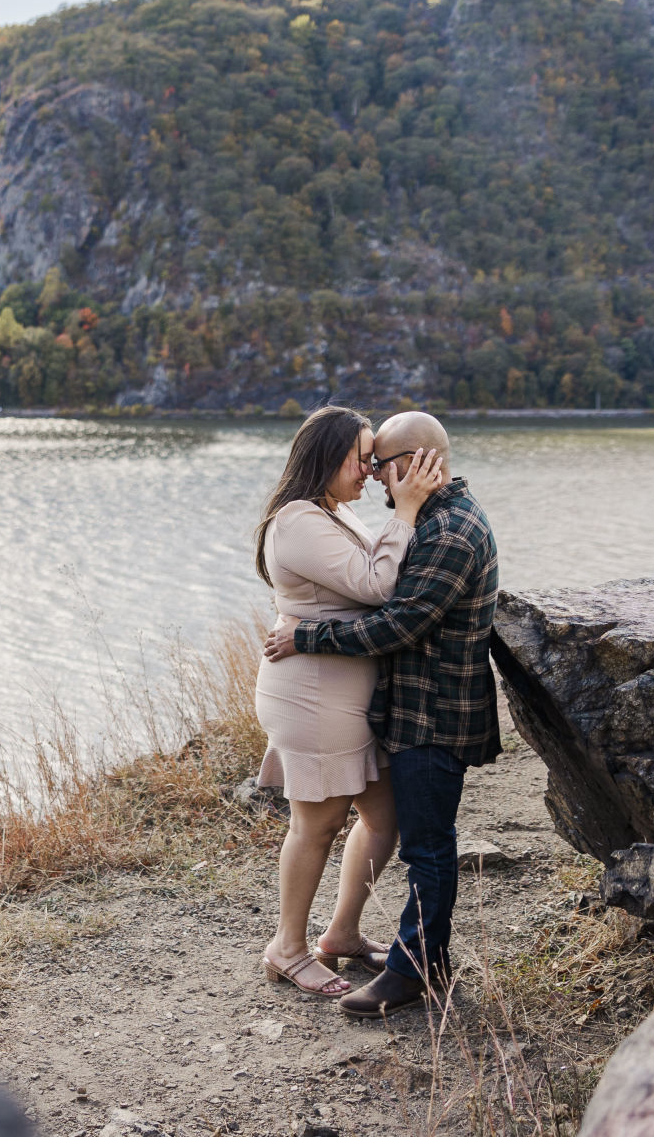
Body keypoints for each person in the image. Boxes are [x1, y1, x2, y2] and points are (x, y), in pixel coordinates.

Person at [263, 409, 500, 1019]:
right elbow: (380, 589)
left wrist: (309, 632)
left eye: (378, 460)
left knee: (387, 820)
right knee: (316, 824)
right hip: (317, 695)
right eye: (361, 458)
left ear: (421, 464)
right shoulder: (302, 520)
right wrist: (404, 511)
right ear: (327, 455)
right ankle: (288, 948)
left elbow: (392, 602)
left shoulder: (410, 522)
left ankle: (344, 935)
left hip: (390, 701)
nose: (370, 472)